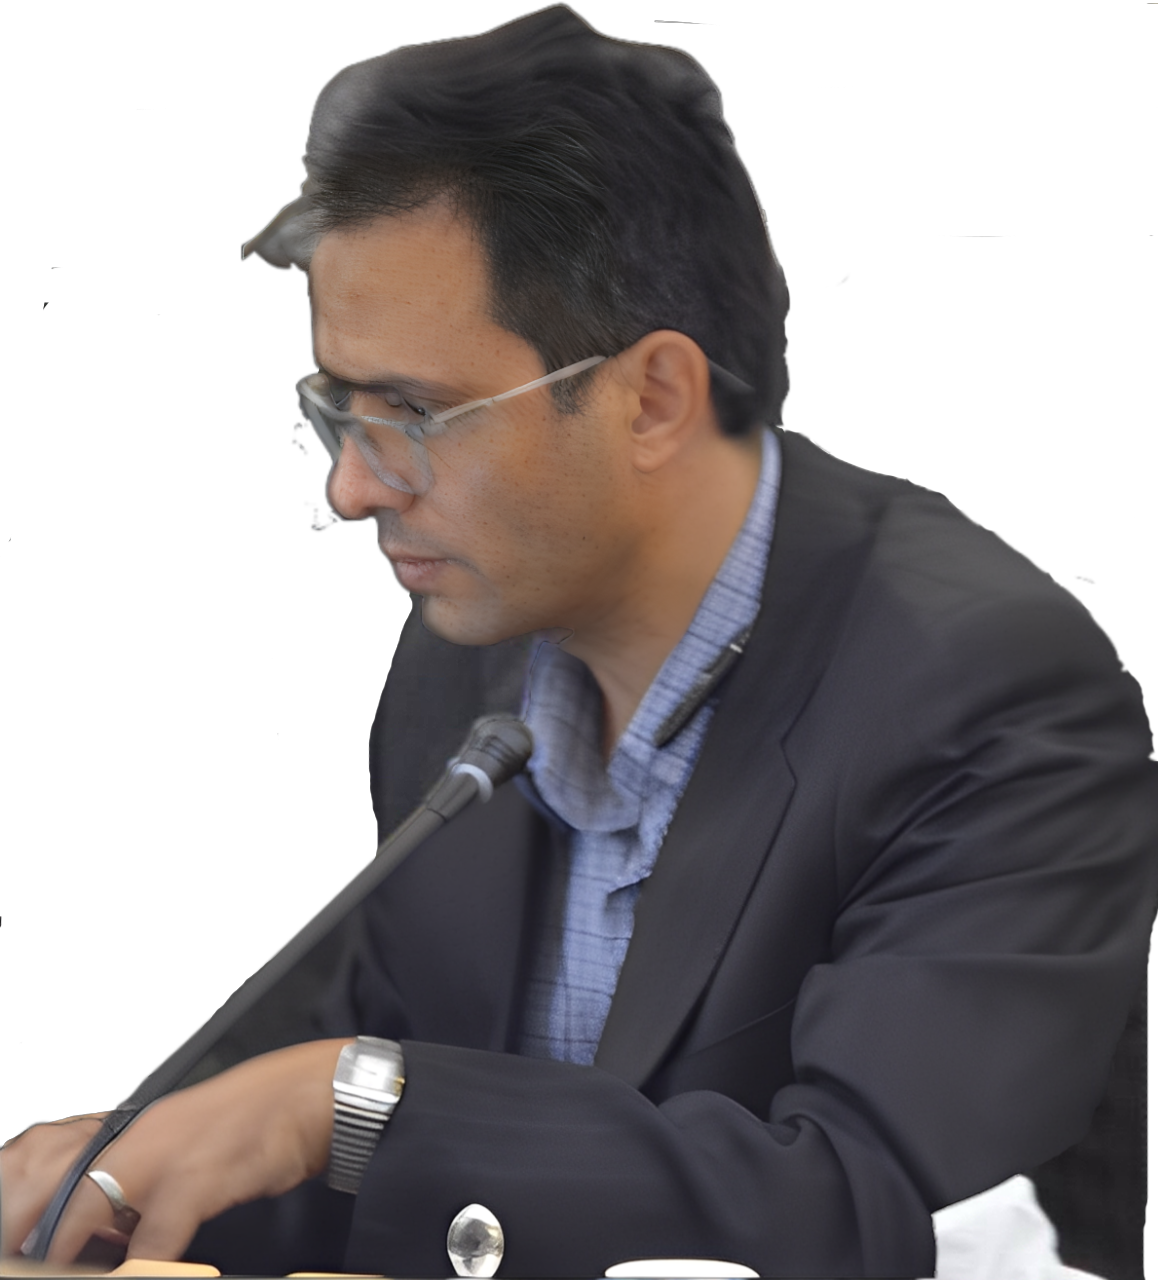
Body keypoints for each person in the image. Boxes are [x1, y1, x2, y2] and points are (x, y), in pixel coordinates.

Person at [4, 7, 1155, 1277]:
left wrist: (351, 1103)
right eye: (343, 409)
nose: (352, 487)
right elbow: (383, 1162)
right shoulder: (459, 664)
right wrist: (138, 1184)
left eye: (413, 414)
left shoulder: (990, 685)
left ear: (651, 397)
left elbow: (882, 1208)